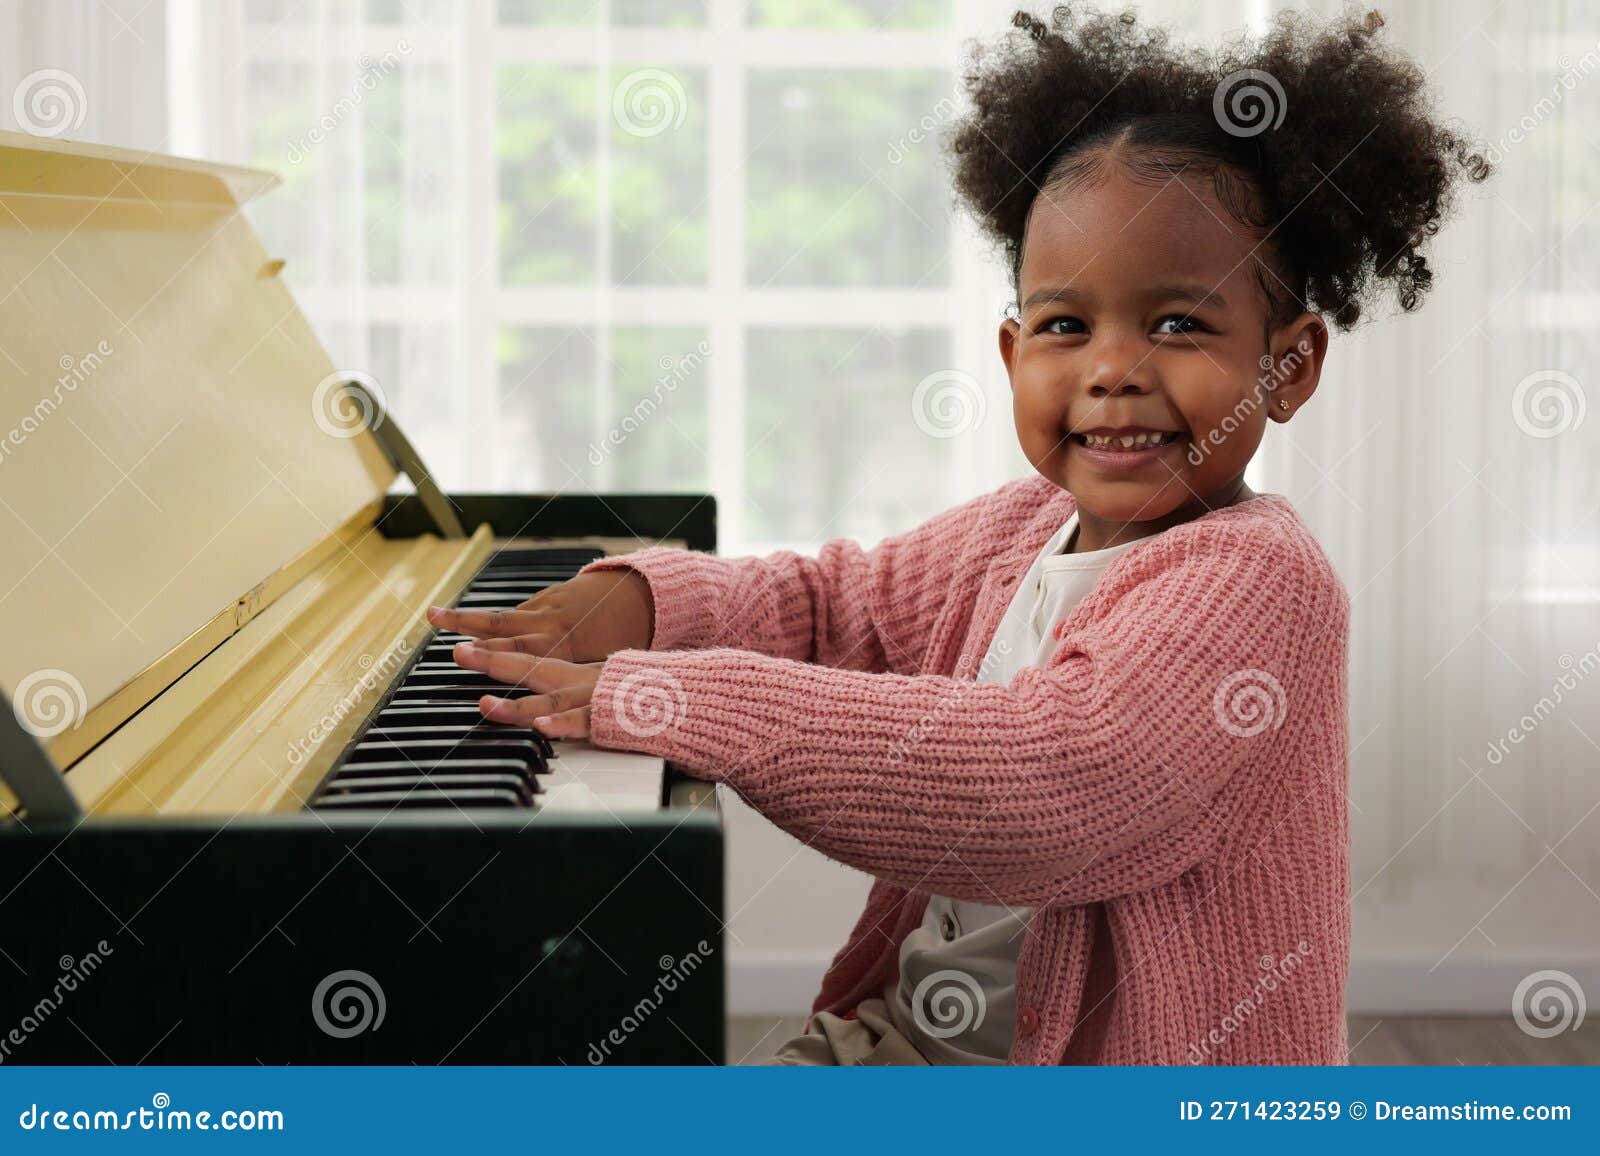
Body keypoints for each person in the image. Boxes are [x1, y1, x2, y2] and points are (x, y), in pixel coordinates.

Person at [427, 6, 1488, 1064]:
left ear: (1288, 365)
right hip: (914, 1049)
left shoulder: (1259, 578)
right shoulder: (1019, 529)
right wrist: (655, 604)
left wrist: (685, 697)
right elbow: (833, 604)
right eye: (1067, 325)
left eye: (1178, 322)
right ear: (1012, 350)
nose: (1112, 367)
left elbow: (1048, 784)